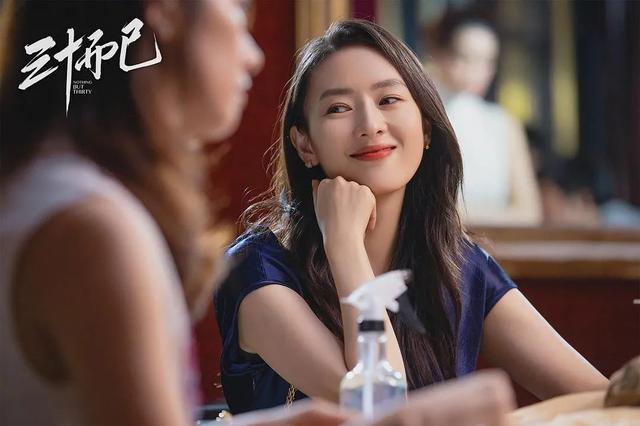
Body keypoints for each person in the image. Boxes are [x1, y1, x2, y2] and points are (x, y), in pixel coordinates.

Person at [1, 1, 512, 425]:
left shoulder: (61, 194)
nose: (254, 56)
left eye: (390, 100)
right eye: (240, 15)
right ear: (166, 13)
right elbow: (385, 402)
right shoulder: (95, 230)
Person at [215, 19, 608, 415]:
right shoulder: (257, 269)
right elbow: (380, 408)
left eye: (388, 100)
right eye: (339, 108)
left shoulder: (458, 266)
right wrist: (344, 244)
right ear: (305, 144)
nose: (370, 125)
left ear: (426, 127)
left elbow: (601, 397)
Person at [425, 12, 542, 226]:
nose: (477, 71)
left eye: (487, 61)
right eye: (466, 58)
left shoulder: (504, 123)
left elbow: (529, 211)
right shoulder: (423, 118)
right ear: (440, 55)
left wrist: (456, 215)